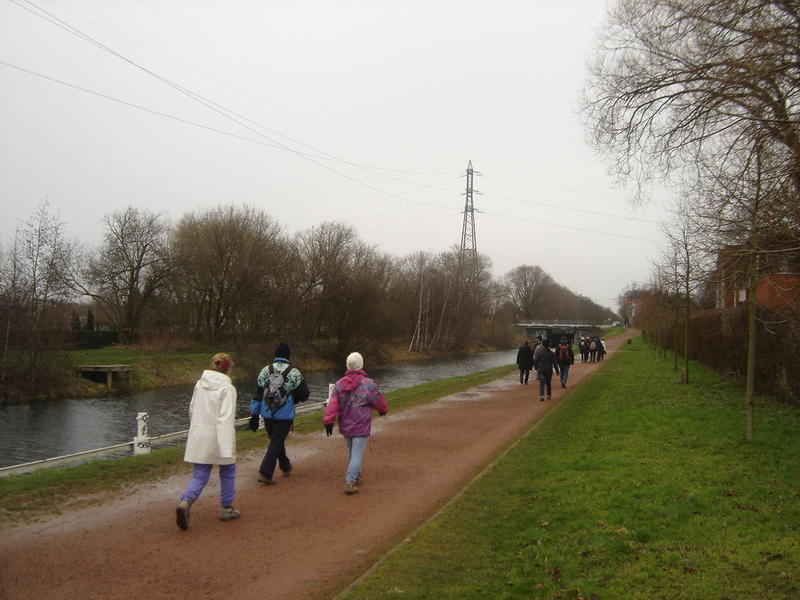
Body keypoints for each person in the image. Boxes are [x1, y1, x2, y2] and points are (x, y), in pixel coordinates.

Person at [176, 352, 240, 530]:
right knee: (227, 472)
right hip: (220, 435)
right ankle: (226, 507)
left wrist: (196, 429)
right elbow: (225, 418)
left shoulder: (199, 385)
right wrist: (227, 446)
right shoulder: (228, 389)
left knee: (200, 474)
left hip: (200, 433)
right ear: (228, 368)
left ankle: (186, 501)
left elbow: (192, 409)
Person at [323, 352, 388, 495]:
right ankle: (350, 481)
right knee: (357, 453)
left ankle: (356, 474)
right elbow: (378, 400)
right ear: (361, 365)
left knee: (352, 451)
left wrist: (328, 421)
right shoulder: (368, 384)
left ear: (347, 365)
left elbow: (333, 404)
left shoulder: (340, 384)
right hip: (361, 424)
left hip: (346, 424)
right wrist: (383, 410)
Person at [249, 342, 310, 486]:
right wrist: (293, 398)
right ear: (288, 356)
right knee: (276, 441)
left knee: (276, 441)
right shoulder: (294, 372)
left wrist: (254, 415)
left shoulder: (265, 371)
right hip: (285, 414)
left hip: (267, 413)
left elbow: (257, 394)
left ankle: (285, 465)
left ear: (275, 355)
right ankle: (265, 472)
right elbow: (305, 394)